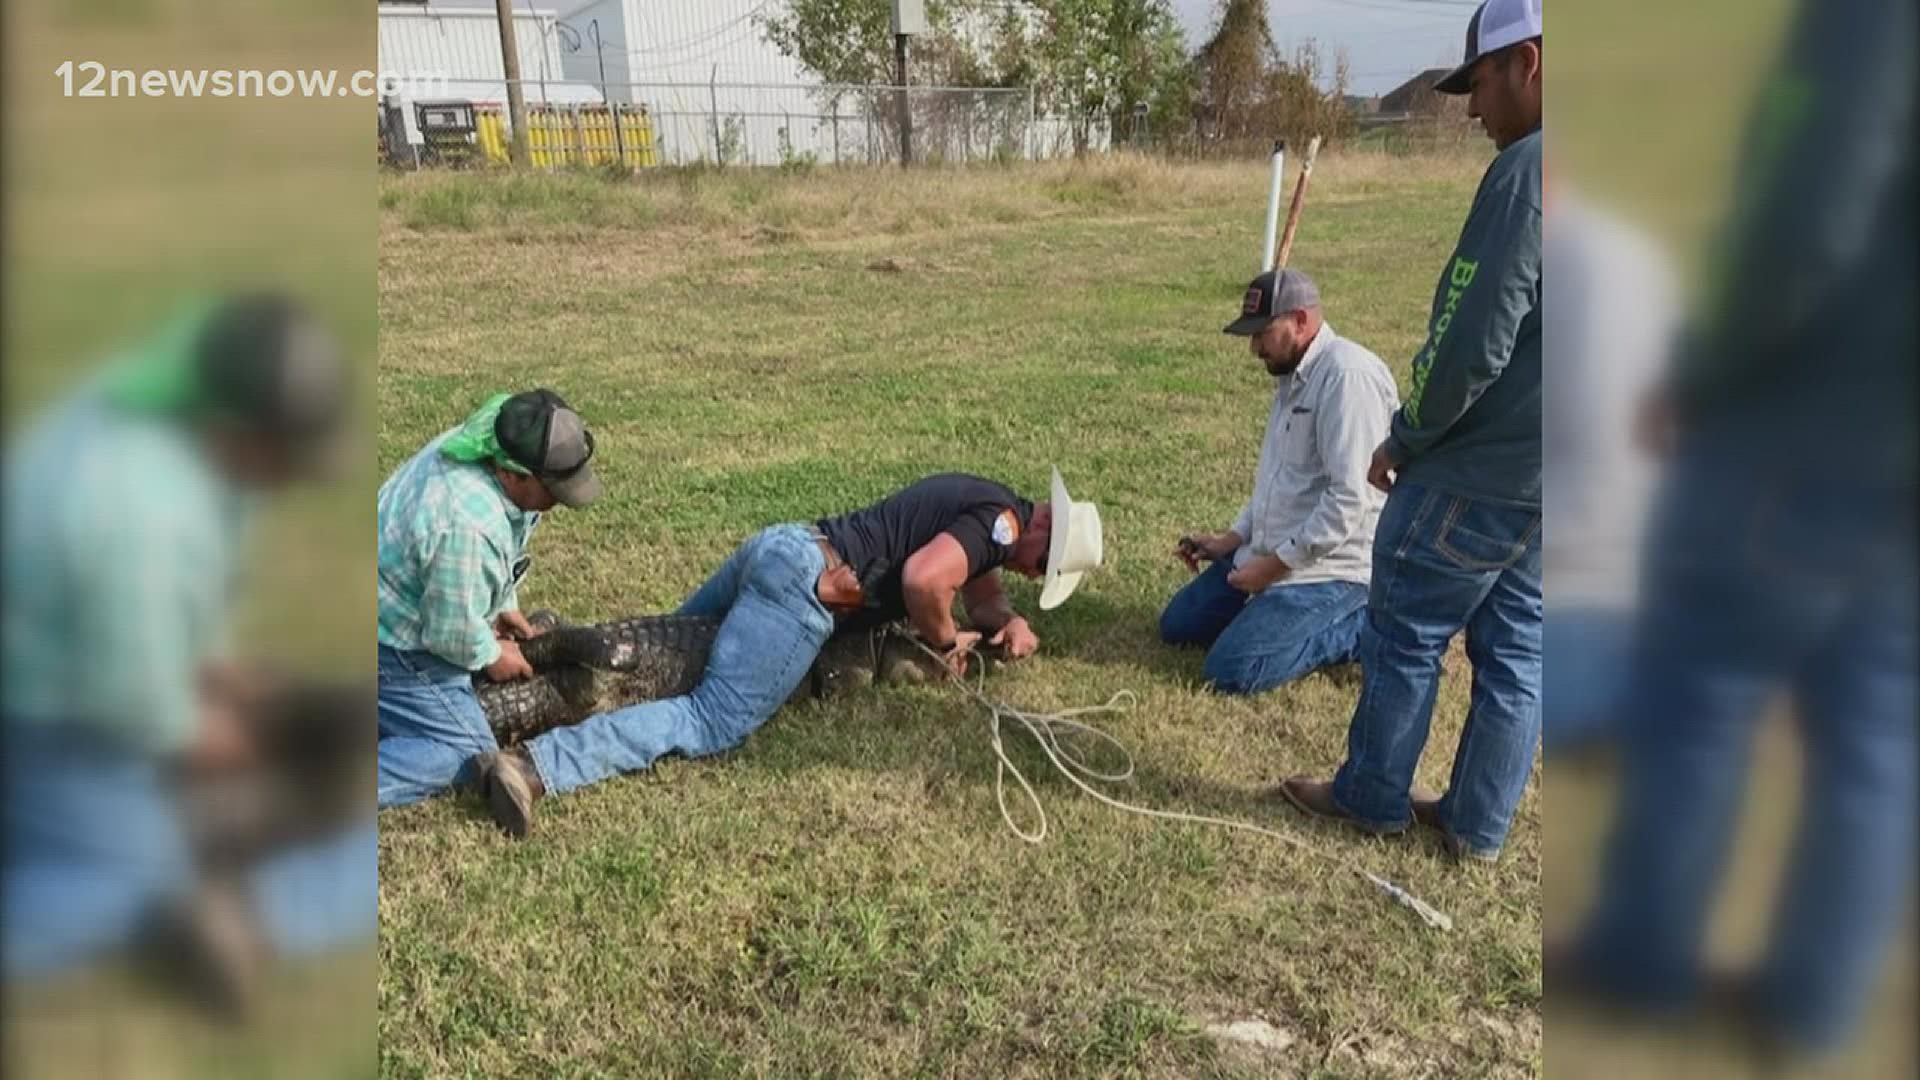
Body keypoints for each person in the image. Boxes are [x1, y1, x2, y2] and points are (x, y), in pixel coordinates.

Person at [1552, 0, 1915, 1058]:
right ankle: (1820, 1006)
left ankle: (1644, 960)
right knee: (1877, 742)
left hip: (1805, 438)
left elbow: (1819, 204)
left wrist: (1710, 377)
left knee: (1701, 700)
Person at [3, 293, 374, 1008]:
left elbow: (156, 633)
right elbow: (142, 711)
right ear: (242, 432)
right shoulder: (146, 517)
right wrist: (249, 732)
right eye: (286, 453)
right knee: (125, 886)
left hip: (54, 672)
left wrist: (229, 680)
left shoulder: (148, 404)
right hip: (50, 721)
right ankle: (254, 911)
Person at [470, 470, 1104, 837]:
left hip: (786, 546)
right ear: (1043, 524)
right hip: (812, 590)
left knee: (668, 648)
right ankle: (533, 767)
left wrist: (1010, 622)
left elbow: (980, 593)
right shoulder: (1004, 528)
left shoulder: (991, 510)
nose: (1030, 571)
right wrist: (943, 641)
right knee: (709, 718)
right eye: (1043, 565)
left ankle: (513, 649)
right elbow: (925, 582)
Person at [1274, 0, 1543, 862]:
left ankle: (1373, 794)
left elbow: (1472, 339)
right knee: (1517, 647)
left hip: (1481, 470)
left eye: (1480, 83)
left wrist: (1408, 437)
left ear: (1528, 63)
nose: (1471, 109)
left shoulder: (1528, 174)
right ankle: (1476, 823)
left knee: (1406, 627)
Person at [1159, 268, 1398, 694]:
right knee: (1178, 627)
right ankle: (1271, 615)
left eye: (1262, 333)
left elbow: (1349, 499)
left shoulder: (1347, 378)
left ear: (1301, 320)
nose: (1255, 348)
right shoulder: (1292, 375)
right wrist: (1232, 540)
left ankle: (1371, 624)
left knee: (1233, 670)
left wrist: (1270, 570)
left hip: (1332, 569)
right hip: (1273, 552)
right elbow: (1277, 479)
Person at [375, 388, 605, 810]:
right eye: (552, 488)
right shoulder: (467, 525)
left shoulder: (493, 434)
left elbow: (497, 550)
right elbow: (448, 635)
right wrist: (488, 653)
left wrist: (503, 603)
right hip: (389, 643)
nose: (559, 500)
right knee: (463, 752)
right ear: (512, 473)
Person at [1540, 165, 1680, 754]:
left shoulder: (1598, 278)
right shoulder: (1559, 269)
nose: (1474, 112)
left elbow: (1606, 472)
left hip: (1603, 586)